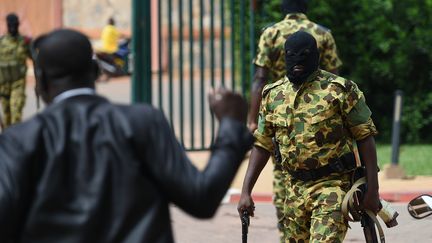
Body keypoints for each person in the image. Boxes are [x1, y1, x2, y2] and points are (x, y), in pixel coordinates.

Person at [0, 29, 254, 242]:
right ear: (95, 70)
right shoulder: (143, 122)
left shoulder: (18, 140)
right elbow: (202, 198)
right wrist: (230, 125)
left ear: (41, 82)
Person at [238, 31, 379, 242]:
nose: (298, 62)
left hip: (332, 186)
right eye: (292, 56)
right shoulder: (273, 95)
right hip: (293, 191)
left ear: (315, 56)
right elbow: (262, 144)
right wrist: (246, 191)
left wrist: (373, 190)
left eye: (304, 55)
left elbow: (365, 137)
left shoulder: (340, 90)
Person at [246, 0, 343, 238]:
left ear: (283, 7)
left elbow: (260, 78)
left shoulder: (271, 33)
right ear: (306, 6)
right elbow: (334, 79)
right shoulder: (322, 34)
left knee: (285, 184)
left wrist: (251, 119)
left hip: (280, 118)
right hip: (319, 119)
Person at [0, 13, 31, 128]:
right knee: (6, 117)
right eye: (10, 25)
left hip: (18, 84)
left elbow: (36, 60)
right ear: (7, 25)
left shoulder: (25, 42)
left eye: (15, 25)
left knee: (16, 113)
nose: (13, 27)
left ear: (18, 25)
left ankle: (15, 140)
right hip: (3, 86)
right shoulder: (1, 42)